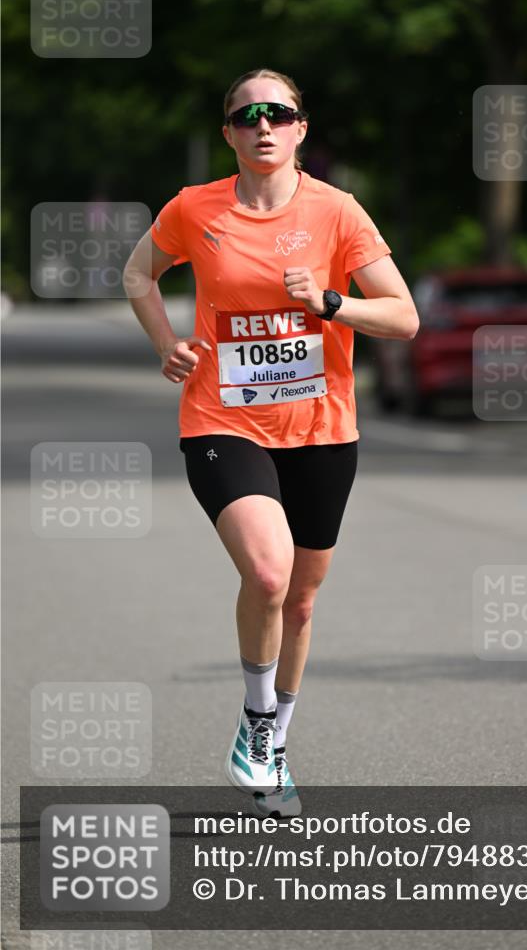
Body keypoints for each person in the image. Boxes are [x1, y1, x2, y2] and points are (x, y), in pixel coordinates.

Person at [123, 68, 419, 817]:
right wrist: (168, 345)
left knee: (302, 602)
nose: (263, 124)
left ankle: (272, 747)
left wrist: (327, 300)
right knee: (266, 572)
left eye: (278, 113)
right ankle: (256, 725)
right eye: (246, 114)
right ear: (228, 133)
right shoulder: (195, 209)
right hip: (223, 418)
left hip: (322, 428)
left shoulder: (336, 212)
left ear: (299, 129)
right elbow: (137, 274)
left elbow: (402, 317)